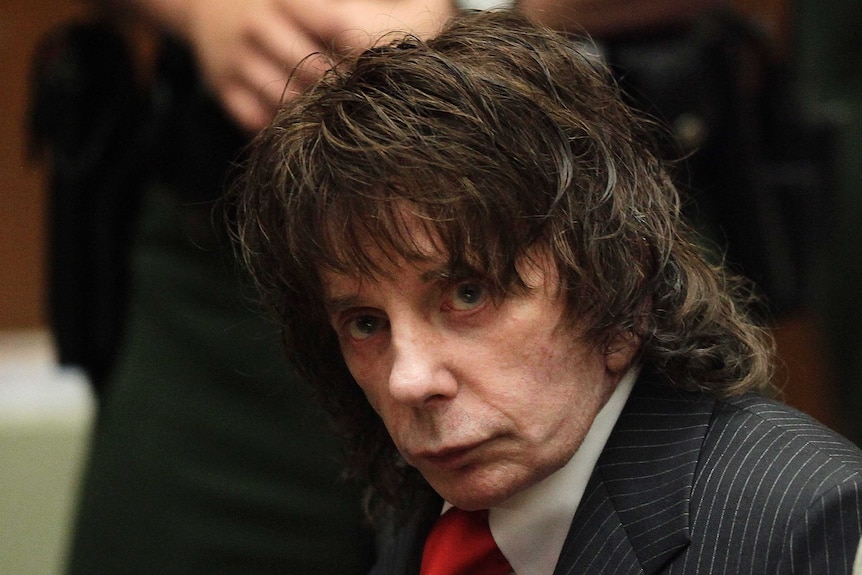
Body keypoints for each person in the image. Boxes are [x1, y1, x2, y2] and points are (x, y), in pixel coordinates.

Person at [232, 10, 862, 574]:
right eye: (367, 323)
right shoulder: (429, 512)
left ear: (619, 284)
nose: (408, 381)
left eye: (469, 294)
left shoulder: (810, 527)